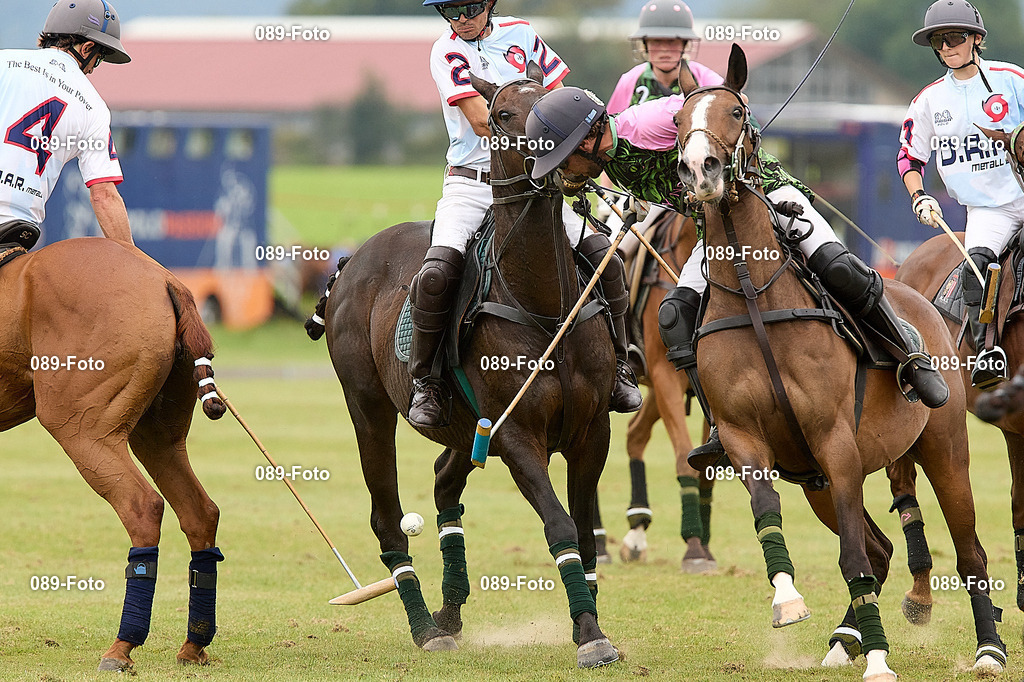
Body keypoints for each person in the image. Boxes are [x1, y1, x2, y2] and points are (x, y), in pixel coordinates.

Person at [524, 85, 950, 454]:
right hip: (714, 227)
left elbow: (714, 103)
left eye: (563, 159)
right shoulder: (609, 158)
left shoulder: (650, 120)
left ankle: (911, 356)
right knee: (674, 316)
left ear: (586, 141)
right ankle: (718, 428)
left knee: (838, 268)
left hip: (769, 197)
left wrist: (735, 101)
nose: (563, 170)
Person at [411, 0, 641, 428]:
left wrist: (570, 156)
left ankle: (622, 365)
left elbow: (561, 101)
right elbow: (483, 122)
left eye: (471, 7)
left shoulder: (520, 31)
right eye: (450, 10)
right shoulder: (444, 52)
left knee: (604, 255)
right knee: (438, 272)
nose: (462, 18)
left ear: (489, 4)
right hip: (473, 183)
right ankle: (427, 381)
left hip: (537, 180)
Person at [899, 0, 1024, 389]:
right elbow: (909, 156)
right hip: (990, 209)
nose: (946, 47)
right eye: (938, 41)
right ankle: (988, 353)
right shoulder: (928, 100)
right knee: (978, 266)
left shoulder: (1012, 79)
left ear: (975, 39)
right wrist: (920, 196)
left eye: (953, 37)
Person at [0, 0, 132, 249]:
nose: (94, 69)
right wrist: (137, 266)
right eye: (99, 57)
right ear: (87, 48)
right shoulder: (95, 107)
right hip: (18, 230)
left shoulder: (4, 63)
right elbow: (104, 195)